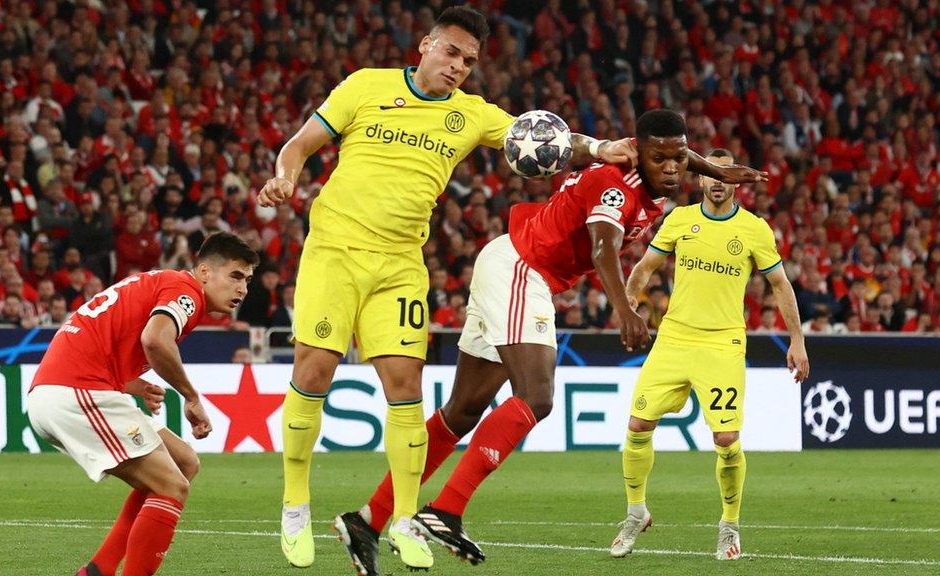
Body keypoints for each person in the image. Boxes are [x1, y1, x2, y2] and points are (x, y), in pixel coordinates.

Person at [258, 7, 640, 573]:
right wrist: (286, 176)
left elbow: (538, 138)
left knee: (406, 388)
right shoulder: (367, 86)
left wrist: (601, 146)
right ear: (425, 45)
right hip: (334, 251)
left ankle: (406, 520)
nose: (459, 67)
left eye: (469, 61)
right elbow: (298, 144)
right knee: (314, 370)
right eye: (452, 53)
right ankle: (294, 504)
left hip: (401, 263)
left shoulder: (471, 115)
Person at [350, 110, 767, 564]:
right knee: (538, 395)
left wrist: (716, 168)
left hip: (513, 262)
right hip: (523, 269)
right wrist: (623, 307)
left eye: (678, 159)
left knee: (462, 412)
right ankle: (446, 511)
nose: (672, 168)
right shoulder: (617, 184)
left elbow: (677, 152)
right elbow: (603, 246)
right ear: (640, 155)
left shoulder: (654, 161)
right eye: (660, 159)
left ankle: (369, 518)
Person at [609, 149, 810, 561]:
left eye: (725, 175)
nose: (717, 182)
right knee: (636, 425)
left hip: (722, 344)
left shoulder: (754, 229)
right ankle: (635, 513)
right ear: (701, 180)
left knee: (726, 439)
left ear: (735, 181)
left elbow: (780, 285)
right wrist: (627, 307)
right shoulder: (681, 220)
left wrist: (798, 340)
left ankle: (729, 525)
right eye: (711, 175)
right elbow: (645, 267)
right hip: (674, 339)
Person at [26, 232, 258, 576]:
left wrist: (133, 384)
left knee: (184, 463)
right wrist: (191, 397)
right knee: (171, 486)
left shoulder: (161, 282)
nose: (242, 289)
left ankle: (97, 570)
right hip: (74, 393)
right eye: (235, 276)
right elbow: (155, 339)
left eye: (248, 281)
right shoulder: (188, 292)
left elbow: (108, 337)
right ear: (205, 272)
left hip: (69, 389)